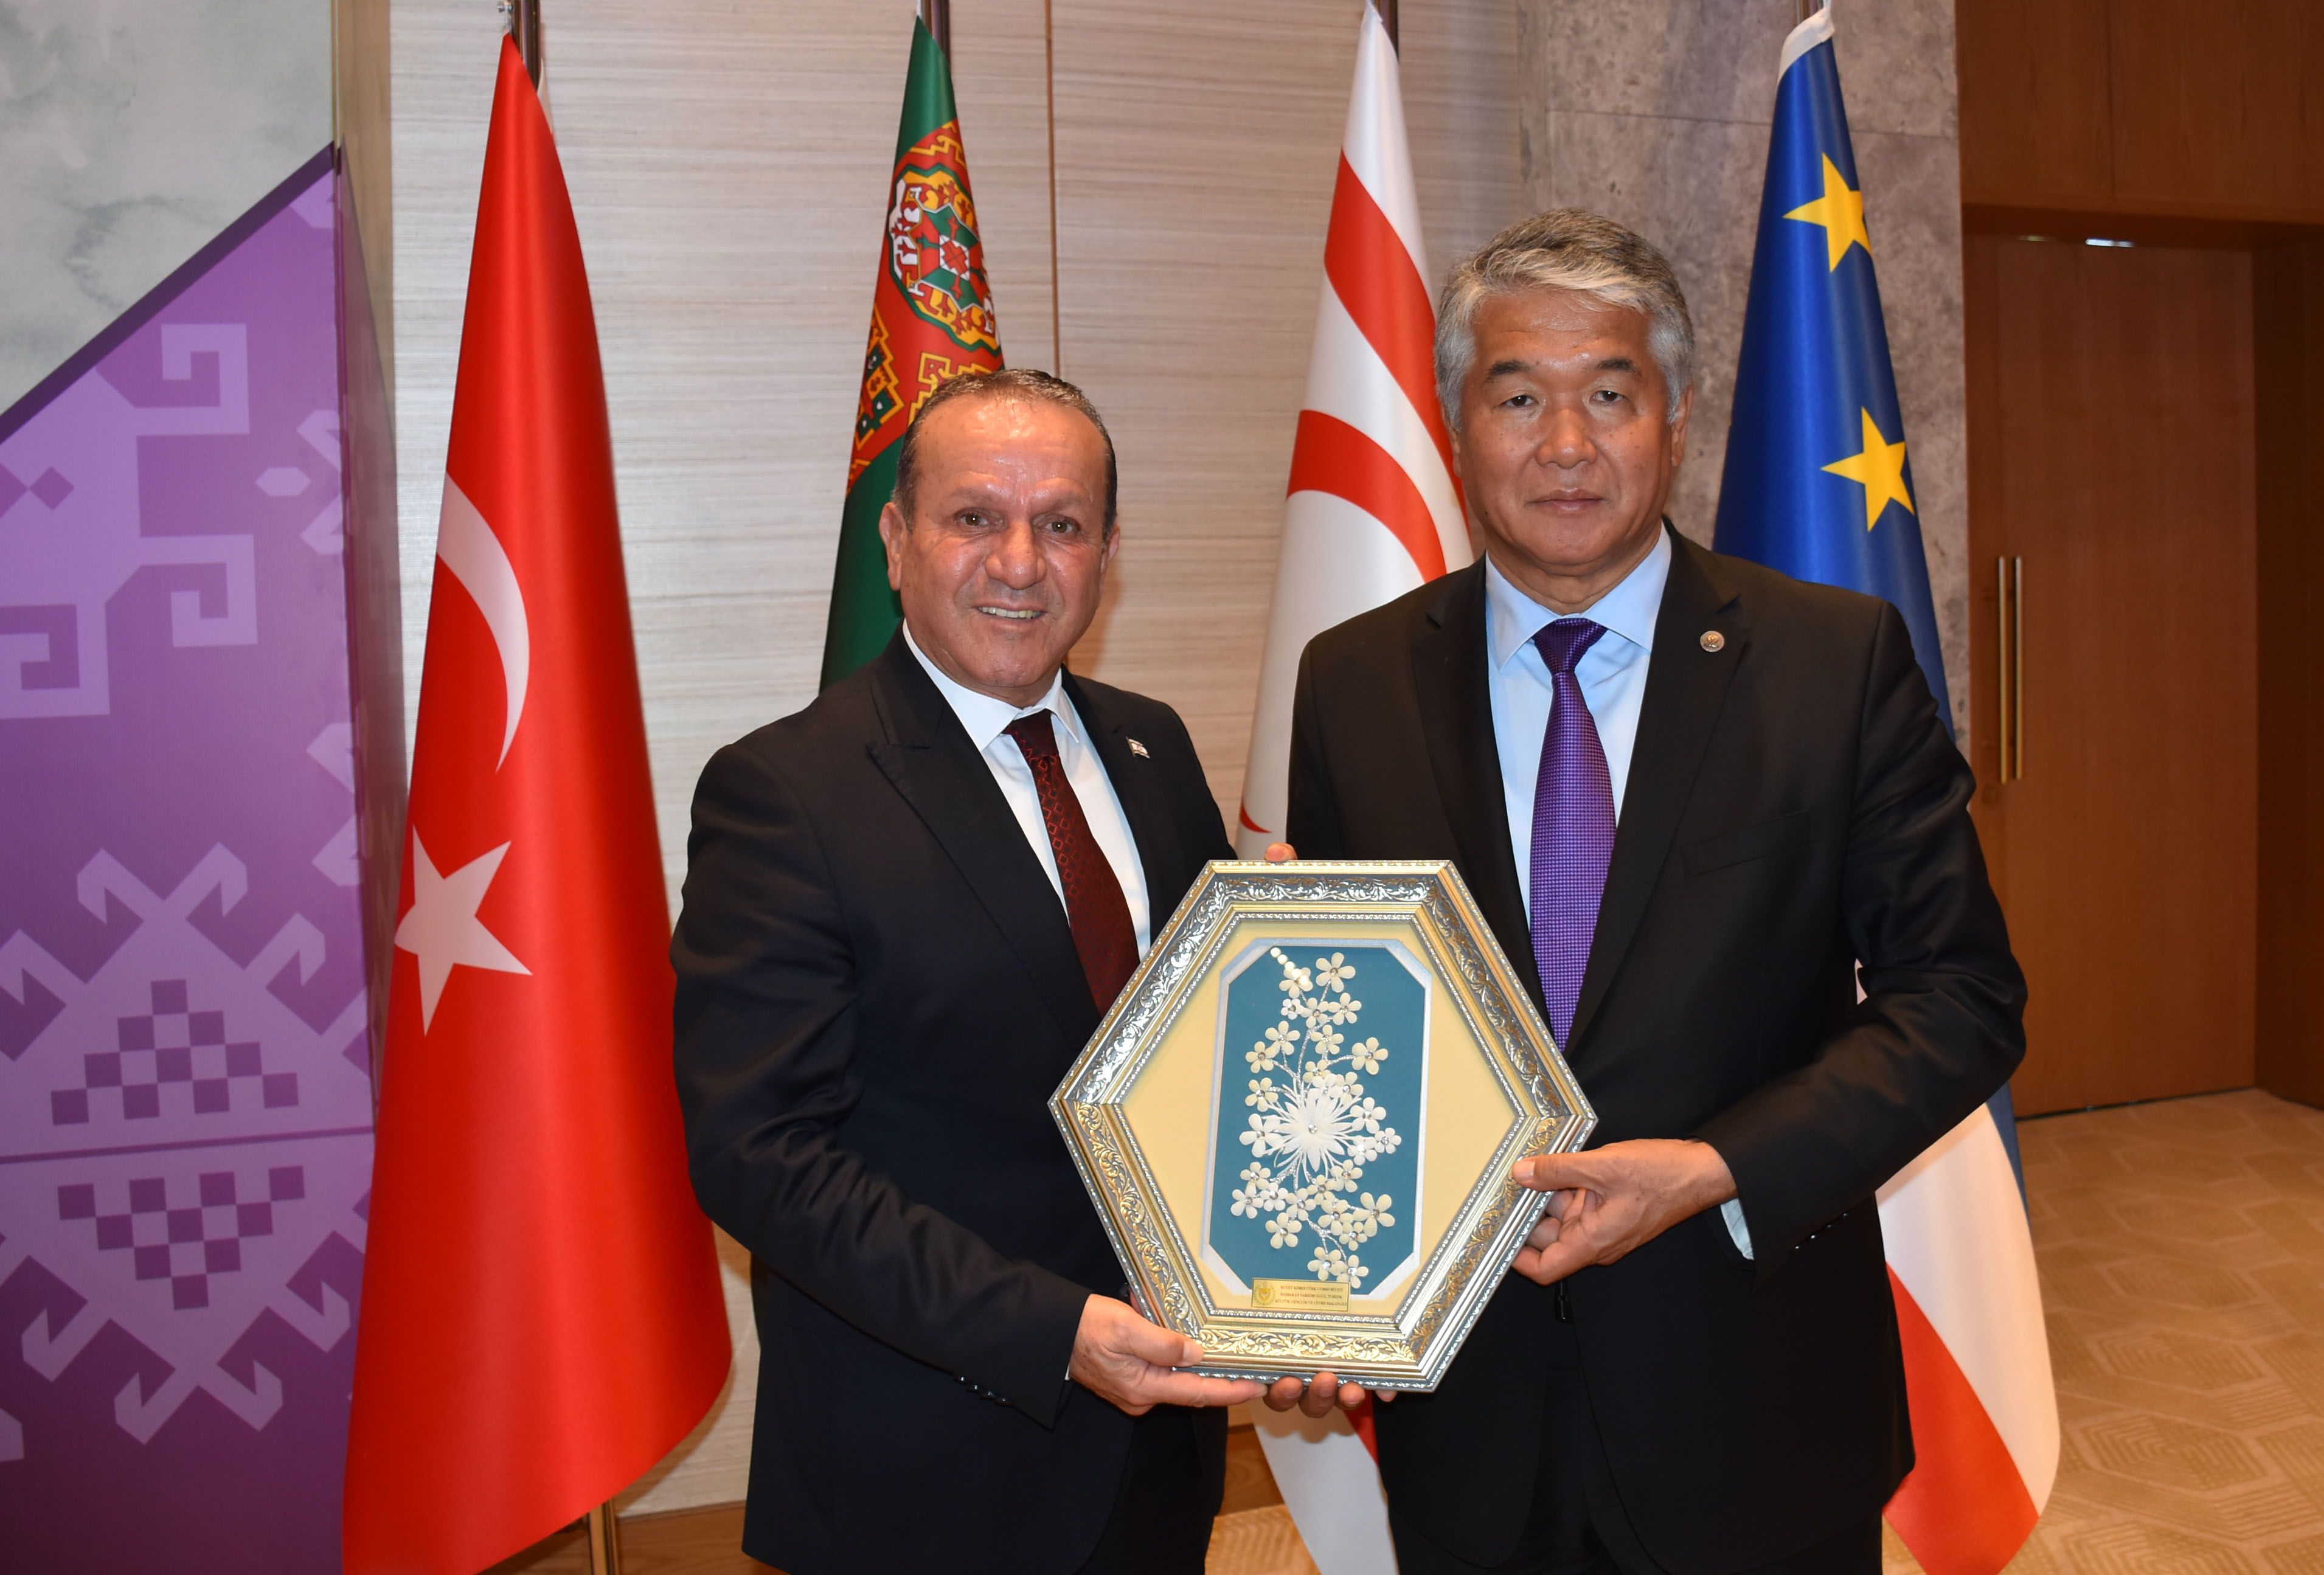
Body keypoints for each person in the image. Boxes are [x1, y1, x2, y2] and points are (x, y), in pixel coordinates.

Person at [1271, 212, 2027, 1575]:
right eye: (1518, 397)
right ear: (1456, 427)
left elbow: (1961, 998)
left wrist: (1718, 1169)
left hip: (1752, 1389)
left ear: (1675, 421)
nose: (1566, 443)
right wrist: (1307, 1282)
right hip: (1471, 1408)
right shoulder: (1353, 681)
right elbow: (1348, 1033)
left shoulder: (1832, 664)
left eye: (1609, 394)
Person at [671, 370, 1260, 1575]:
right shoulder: (786, 793)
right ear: (896, 541)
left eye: (1062, 523)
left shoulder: (1153, 746)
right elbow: (760, 1154)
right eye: (974, 517)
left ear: (1107, 552)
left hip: (1156, 1448)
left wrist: (1282, 963)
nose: (1020, 562)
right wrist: (1053, 1331)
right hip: (924, 1473)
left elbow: (1188, 1065)